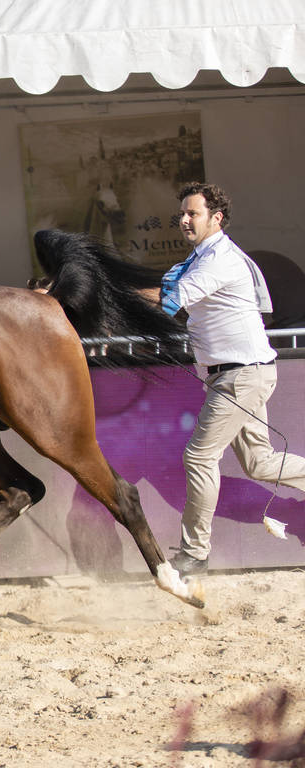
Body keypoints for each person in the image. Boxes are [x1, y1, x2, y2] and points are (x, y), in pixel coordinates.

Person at [160, 182, 305, 576]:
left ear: (216, 218)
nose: (184, 220)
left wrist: (99, 292)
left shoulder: (217, 260)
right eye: (183, 214)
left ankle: (194, 553)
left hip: (239, 377)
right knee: (260, 463)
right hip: (245, 374)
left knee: (199, 456)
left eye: (193, 213)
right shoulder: (202, 258)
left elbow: (168, 301)